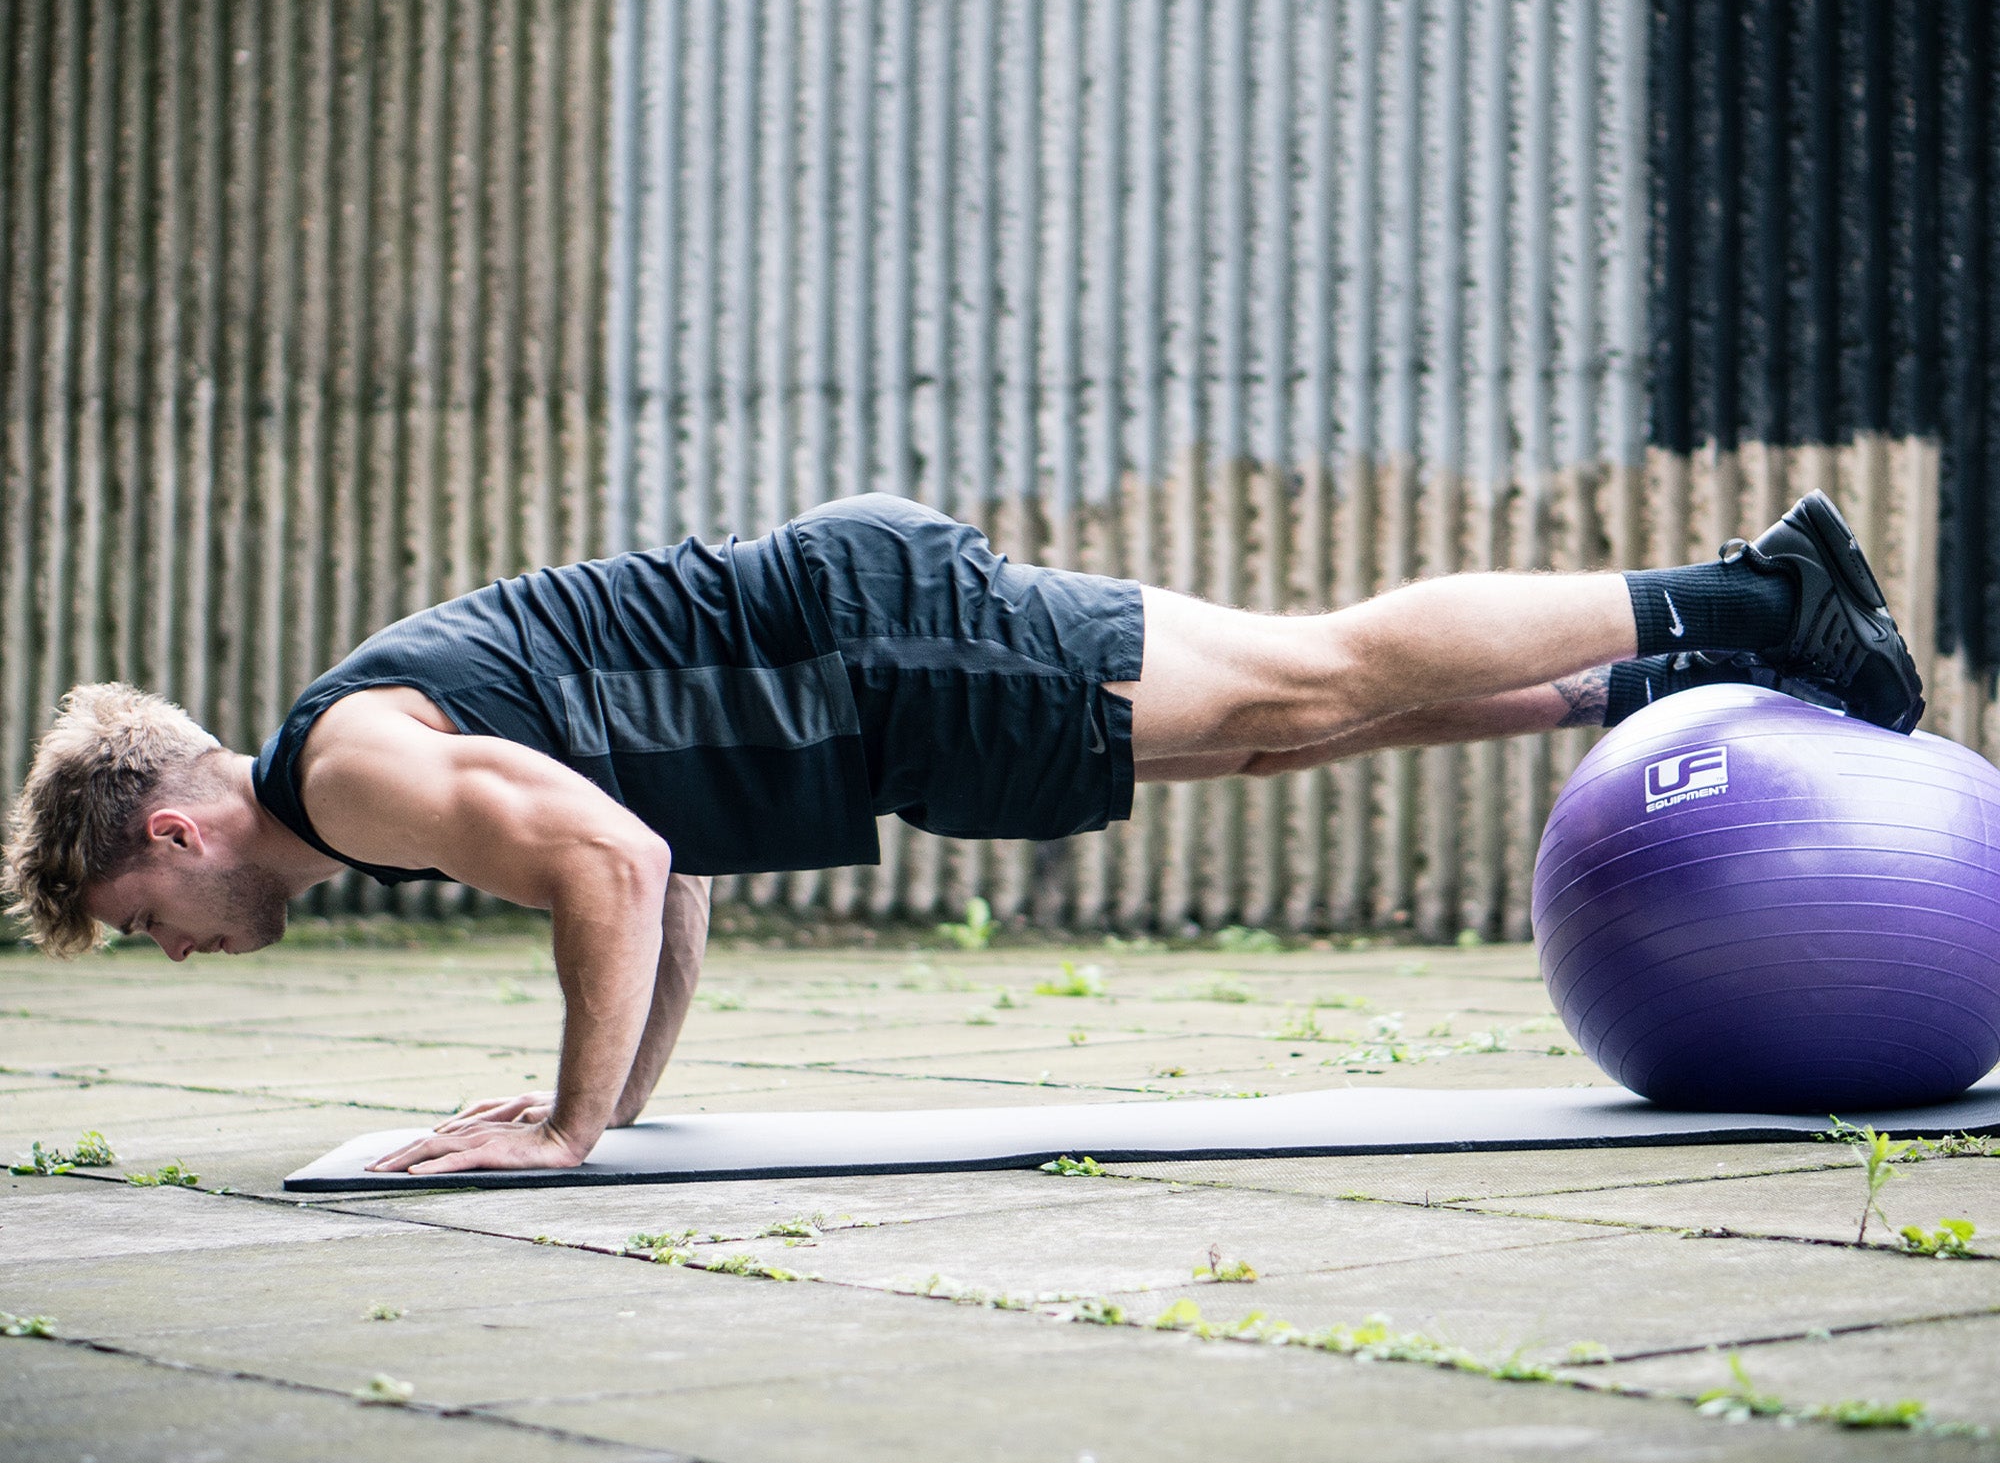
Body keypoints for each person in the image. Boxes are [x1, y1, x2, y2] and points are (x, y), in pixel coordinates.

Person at [2, 489, 1921, 1177]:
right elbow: (663, 875)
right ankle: (1647, 679)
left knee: (1307, 676)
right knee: (1281, 737)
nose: (170, 945)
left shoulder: (347, 772)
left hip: (880, 655)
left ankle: (1758, 595)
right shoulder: (368, 777)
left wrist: (568, 1131)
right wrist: (620, 1112)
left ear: (172, 824)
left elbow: (617, 870)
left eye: (138, 911)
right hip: (882, 697)